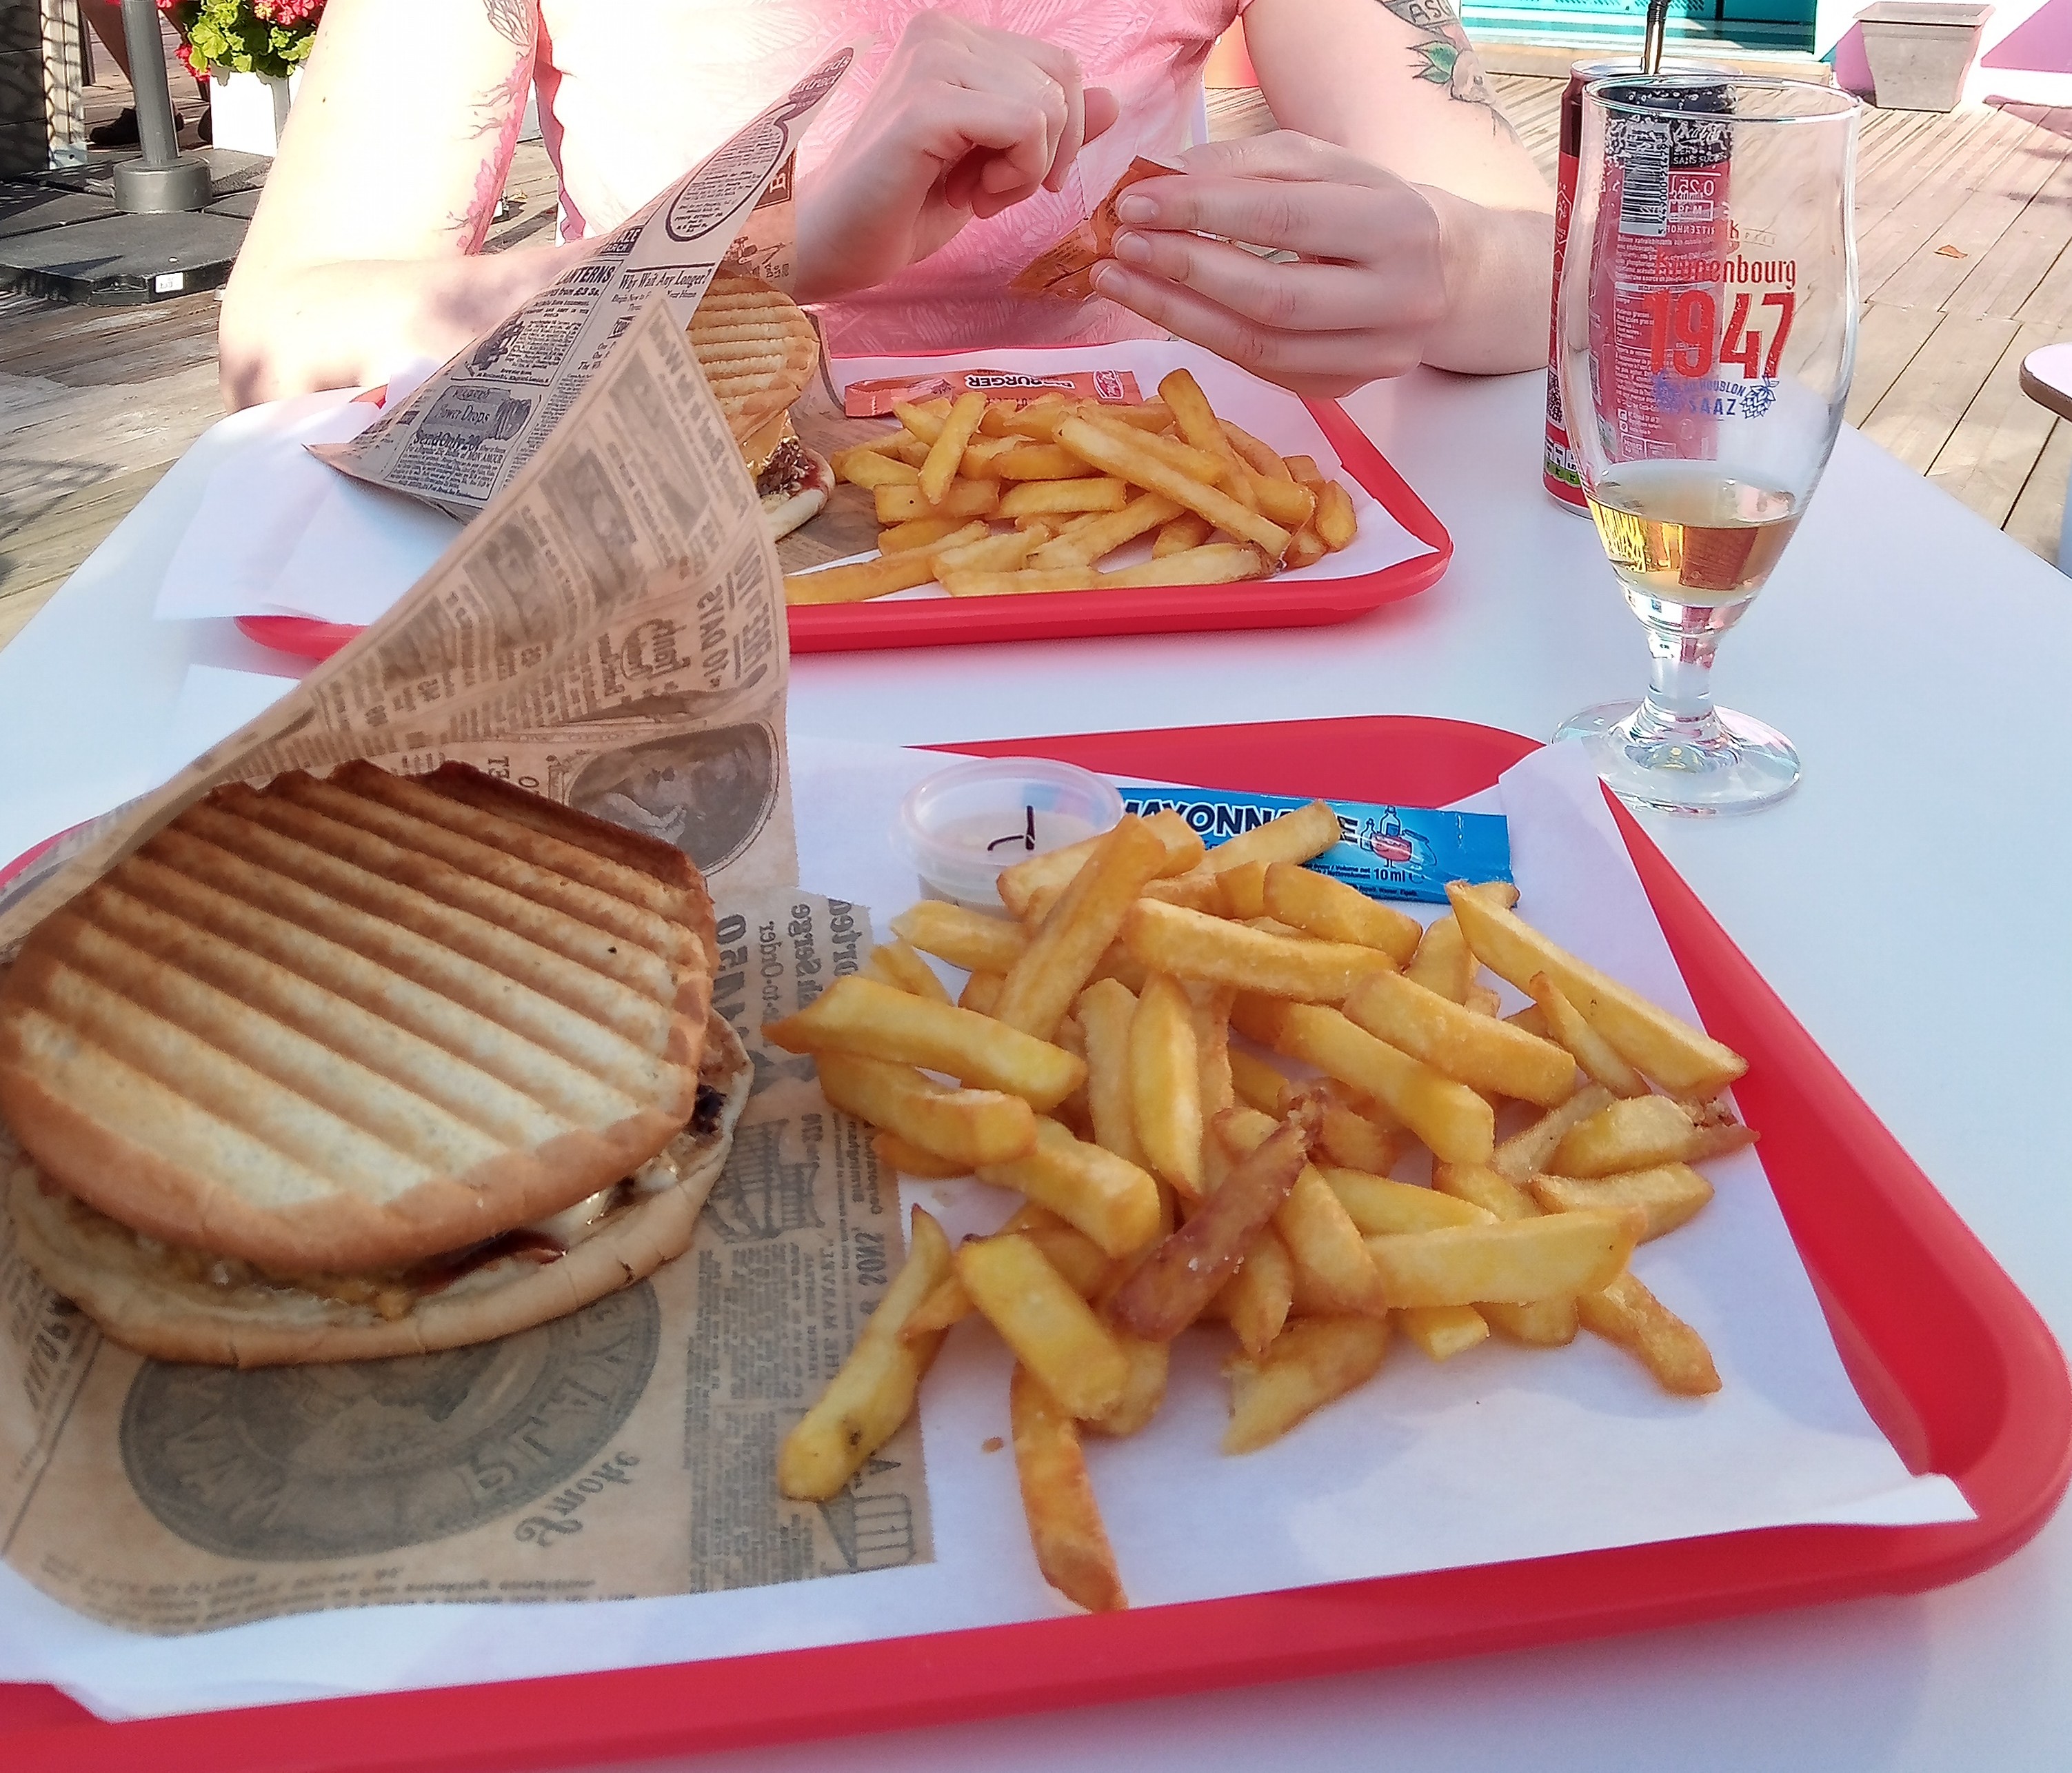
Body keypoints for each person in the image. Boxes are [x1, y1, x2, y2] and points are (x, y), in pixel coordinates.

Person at [218, 1, 1552, 410]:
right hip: (664, 535)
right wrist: (765, 250)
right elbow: (284, 333)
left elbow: (1549, 265)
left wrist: (1445, 264)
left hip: (1134, 579)